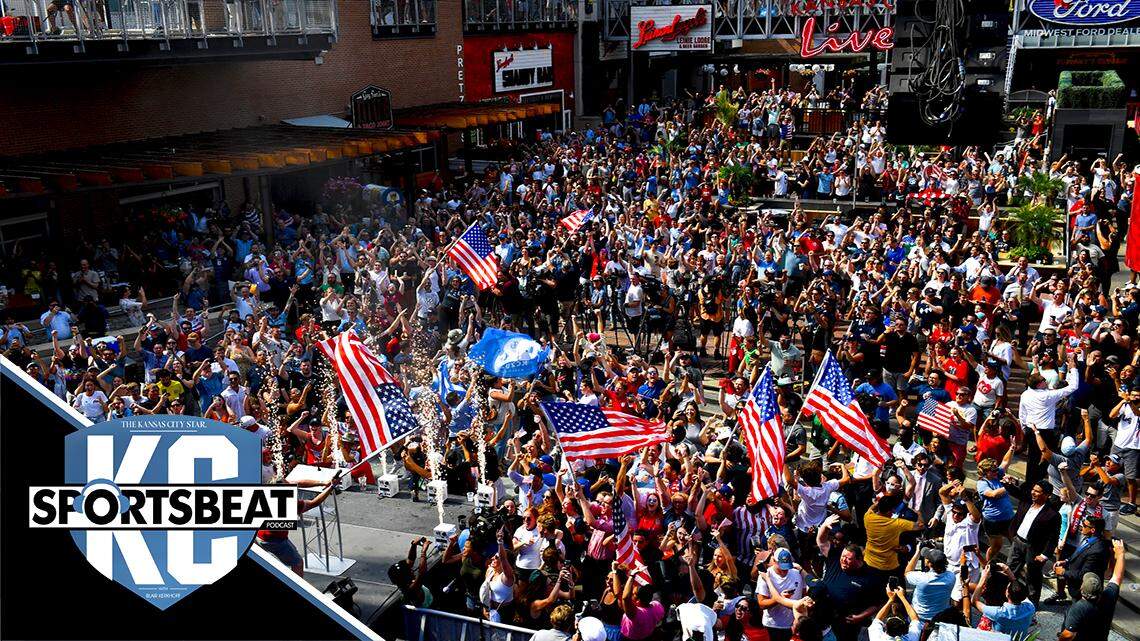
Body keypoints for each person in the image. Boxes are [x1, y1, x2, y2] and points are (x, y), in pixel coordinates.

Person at [1060, 538, 1126, 641]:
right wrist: (1121, 554)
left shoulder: (1079, 608)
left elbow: (1068, 635)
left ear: (1082, 588)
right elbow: (1117, 577)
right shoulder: (1109, 596)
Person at [970, 562, 1035, 636]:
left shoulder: (998, 613)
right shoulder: (1030, 607)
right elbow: (1020, 591)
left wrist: (983, 578)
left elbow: (974, 601)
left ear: (1007, 593)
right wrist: (1008, 571)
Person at [903, 547, 955, 623]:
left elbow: (907, 572)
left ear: (929, 563)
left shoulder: (922, 578)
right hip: (941, 618)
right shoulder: (951, 577)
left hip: (919, 618)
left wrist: (917, 552)